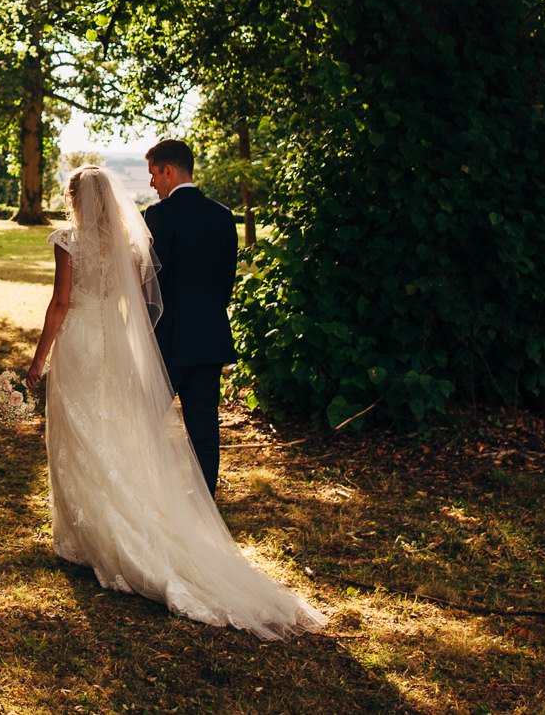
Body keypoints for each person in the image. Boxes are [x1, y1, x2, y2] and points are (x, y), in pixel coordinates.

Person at [25, 164, 322, 639]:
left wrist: (39, 360)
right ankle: (114, 522)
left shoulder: (68, 241)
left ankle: (89, 535)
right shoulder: (128, 241)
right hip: (116, 342)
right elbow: (141, 301)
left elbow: (60, 303)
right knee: (113, 429)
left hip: (81, 339)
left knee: (79, 430)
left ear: (77, 199)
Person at [141, 137, 236, 495]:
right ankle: (205, 505)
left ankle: (150, 496)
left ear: (168, 170)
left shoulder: (159, 215)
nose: (152, 183)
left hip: (168, 340)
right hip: (209, 338)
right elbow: (226, 281)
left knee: (145, 421)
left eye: (153, 174)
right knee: (205, 430)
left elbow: (152, 283)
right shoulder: (223, 215)